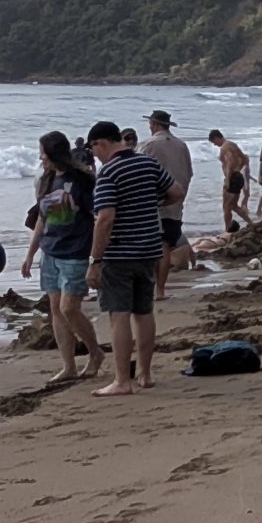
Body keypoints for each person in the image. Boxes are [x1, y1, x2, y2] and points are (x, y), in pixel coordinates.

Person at [84, 120, 181, 397]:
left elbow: (105, 218)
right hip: (149, 249)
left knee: (119, 315)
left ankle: (122, 380)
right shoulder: (147, 164)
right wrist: (152, 204)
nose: (95, 155)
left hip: (119, 253)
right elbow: (176, 192)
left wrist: (95, 260)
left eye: (94, 149)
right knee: (144, 312)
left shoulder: (109, 172)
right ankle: (145, 374)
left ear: (101, 143)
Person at [20, 130, 104, 384]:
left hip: (76, 251)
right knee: (56, 309)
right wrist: (30, 253)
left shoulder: (82, 180)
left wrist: (97, 258)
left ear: (54, 153)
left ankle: (95, 352)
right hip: (50, 251)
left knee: (69, 308)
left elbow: (98, 217)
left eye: (43, 153)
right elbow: (42, 218)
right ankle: (68, 366)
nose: (41, 158)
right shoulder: (46, 180)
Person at [142, 111, 196, 297]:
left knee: (156, 248)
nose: (149, 126)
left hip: (154, 203)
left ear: (154, 124)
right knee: (165, 245)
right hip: (176, 203)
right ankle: (160, 289)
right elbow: (189, 174)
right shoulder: (182, 145)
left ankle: (155, 288)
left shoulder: (148, 145)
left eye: (150, 123)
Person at [208, 129, 251, 232]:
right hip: (237, 177)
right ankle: (251, 223)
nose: (215, 144)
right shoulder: (232, 144)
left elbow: (229, 162)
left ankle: (227, 230)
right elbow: (245, 158)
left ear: (217, 138)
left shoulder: (224, 148)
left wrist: (228, 179)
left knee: (226, 206)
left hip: (232, 179)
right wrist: (239, 169)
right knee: (233, 206)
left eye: (214, 142)